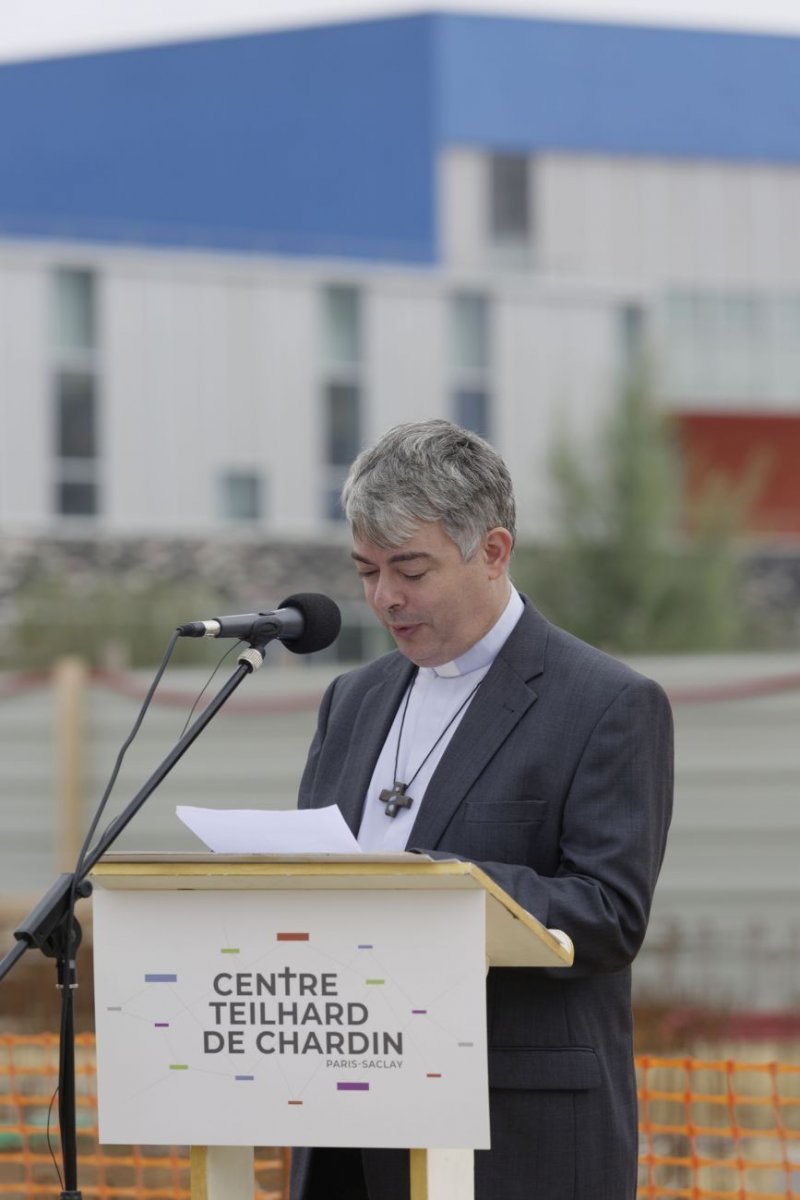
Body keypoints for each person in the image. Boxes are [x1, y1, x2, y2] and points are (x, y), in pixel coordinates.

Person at [291, 419, 673, 1200]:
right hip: (345, 1125)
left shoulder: (606, 703)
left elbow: (608, 913)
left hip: (510, 1135)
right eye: (366, 570)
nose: (384, 597)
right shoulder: (352, 699)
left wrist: (438, 886)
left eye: (410, 569)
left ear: (493, 552)